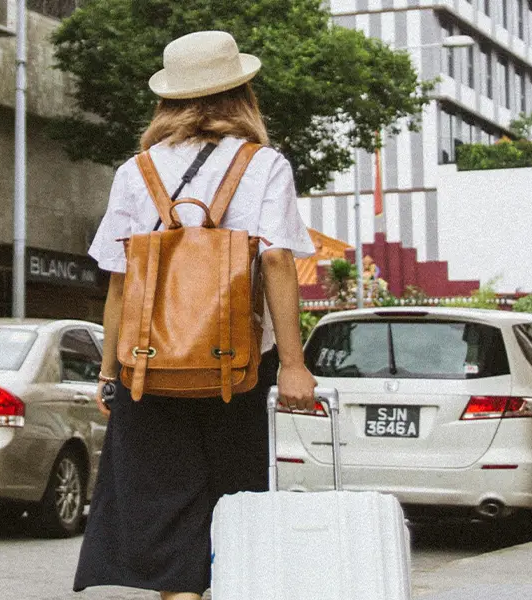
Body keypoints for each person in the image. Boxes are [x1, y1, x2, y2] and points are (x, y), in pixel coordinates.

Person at [73, 30, 319, 600]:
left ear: (168, 99)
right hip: (235, 367)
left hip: (150, 367)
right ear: (241, 94)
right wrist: (292, 365)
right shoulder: (262, 164)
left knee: (164, 510)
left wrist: (109, 372)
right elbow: (277, 261)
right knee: (232, 506)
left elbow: (120, 280)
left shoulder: (137, 171)